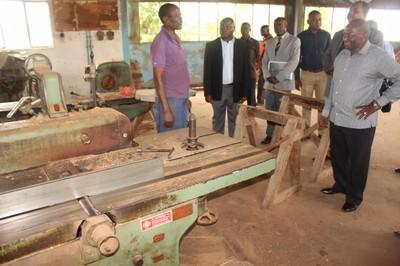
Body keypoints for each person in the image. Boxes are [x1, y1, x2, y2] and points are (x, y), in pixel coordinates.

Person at [319, 19, 400, 212]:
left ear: (364, 35)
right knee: (338, 156)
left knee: (358, 162)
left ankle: (354, 197)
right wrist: (326, 111)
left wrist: (379, 102)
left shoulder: (377, 56)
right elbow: (335, 87)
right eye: (345, 34)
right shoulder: (342, 55)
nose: (345, 38)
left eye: (350, 35)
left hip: (360, 121)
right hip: (337, 118)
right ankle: (340, 185)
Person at [323, 1, 384, 97]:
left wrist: (342, 69)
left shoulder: (375, 36)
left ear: (365, 15)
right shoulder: (338, 34)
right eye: (350, 10)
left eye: (355, 11)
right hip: (333, 89)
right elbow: (328, 54)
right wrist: (327, 67)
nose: (350, 14)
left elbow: (373, 62)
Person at [203, 17, 249, 137]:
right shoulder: (212, 46)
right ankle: (219, 144)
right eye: (222, 26)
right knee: (218, 119)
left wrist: (245, 92)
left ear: (234, 28)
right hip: (218, 89)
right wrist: (207, 92)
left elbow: (246, 70)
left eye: (228, 26)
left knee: (234, 118)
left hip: (235, 89)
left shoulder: (242, 45)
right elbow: (207, 71)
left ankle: (233, 143)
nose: (224, 28)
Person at [151, 3, 190, 133]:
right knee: (171, 141)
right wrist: (166, 110)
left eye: (181, 15)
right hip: (170, 100)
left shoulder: (174, 38)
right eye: (177, 16)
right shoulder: (161, 41)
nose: (181, 19)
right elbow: (158, 77)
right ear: (166, 19)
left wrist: (186, 98)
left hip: (180, 99)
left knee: (182, 138)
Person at [261, 17, 300, 144]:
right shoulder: (270, 41)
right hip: (269, 82)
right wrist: (267, 75)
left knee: (282, 111)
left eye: (280, 24)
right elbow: (264, 61)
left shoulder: (294, 41)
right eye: (275, 25)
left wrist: (278, 77)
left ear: (286, 25)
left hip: (284, 82)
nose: (277, 27)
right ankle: (270, 134)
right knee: (269, 109)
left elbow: (293, 62)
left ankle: (280, 136)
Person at [295, 10, 331, 127]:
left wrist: (330, 74)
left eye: (319, 19)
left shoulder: (326, 35)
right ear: (308, 21)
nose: (317, 22)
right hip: (306, 74)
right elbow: (296, 58)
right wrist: (296, 77)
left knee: (322, 104)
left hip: (322, 75)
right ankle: (305, 130)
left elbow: (329, 55)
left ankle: (321, 130)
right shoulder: (301, 36)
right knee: (306, 104)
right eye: (314, 20)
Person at [241, 22, 259, 107]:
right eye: (242, 28)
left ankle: (252, 114)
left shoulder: (255, 43)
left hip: (251, 73)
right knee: (238, 95)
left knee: (251, 96)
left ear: (249, 30)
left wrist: (258, 72)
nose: (243, 30)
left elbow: (258, 58)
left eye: (246, 28)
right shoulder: (237, 42)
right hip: (239, 74)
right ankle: (236, 115)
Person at [257, 25, 272, 105]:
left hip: (266, 65)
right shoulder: (265, 40)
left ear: (268, 30)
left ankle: (261, 100)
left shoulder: (271, 40)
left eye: (263, 30)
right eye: (261, 30)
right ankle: (261, 100)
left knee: (262, 82)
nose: (261, 32)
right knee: (261, 82)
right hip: (263, 64)